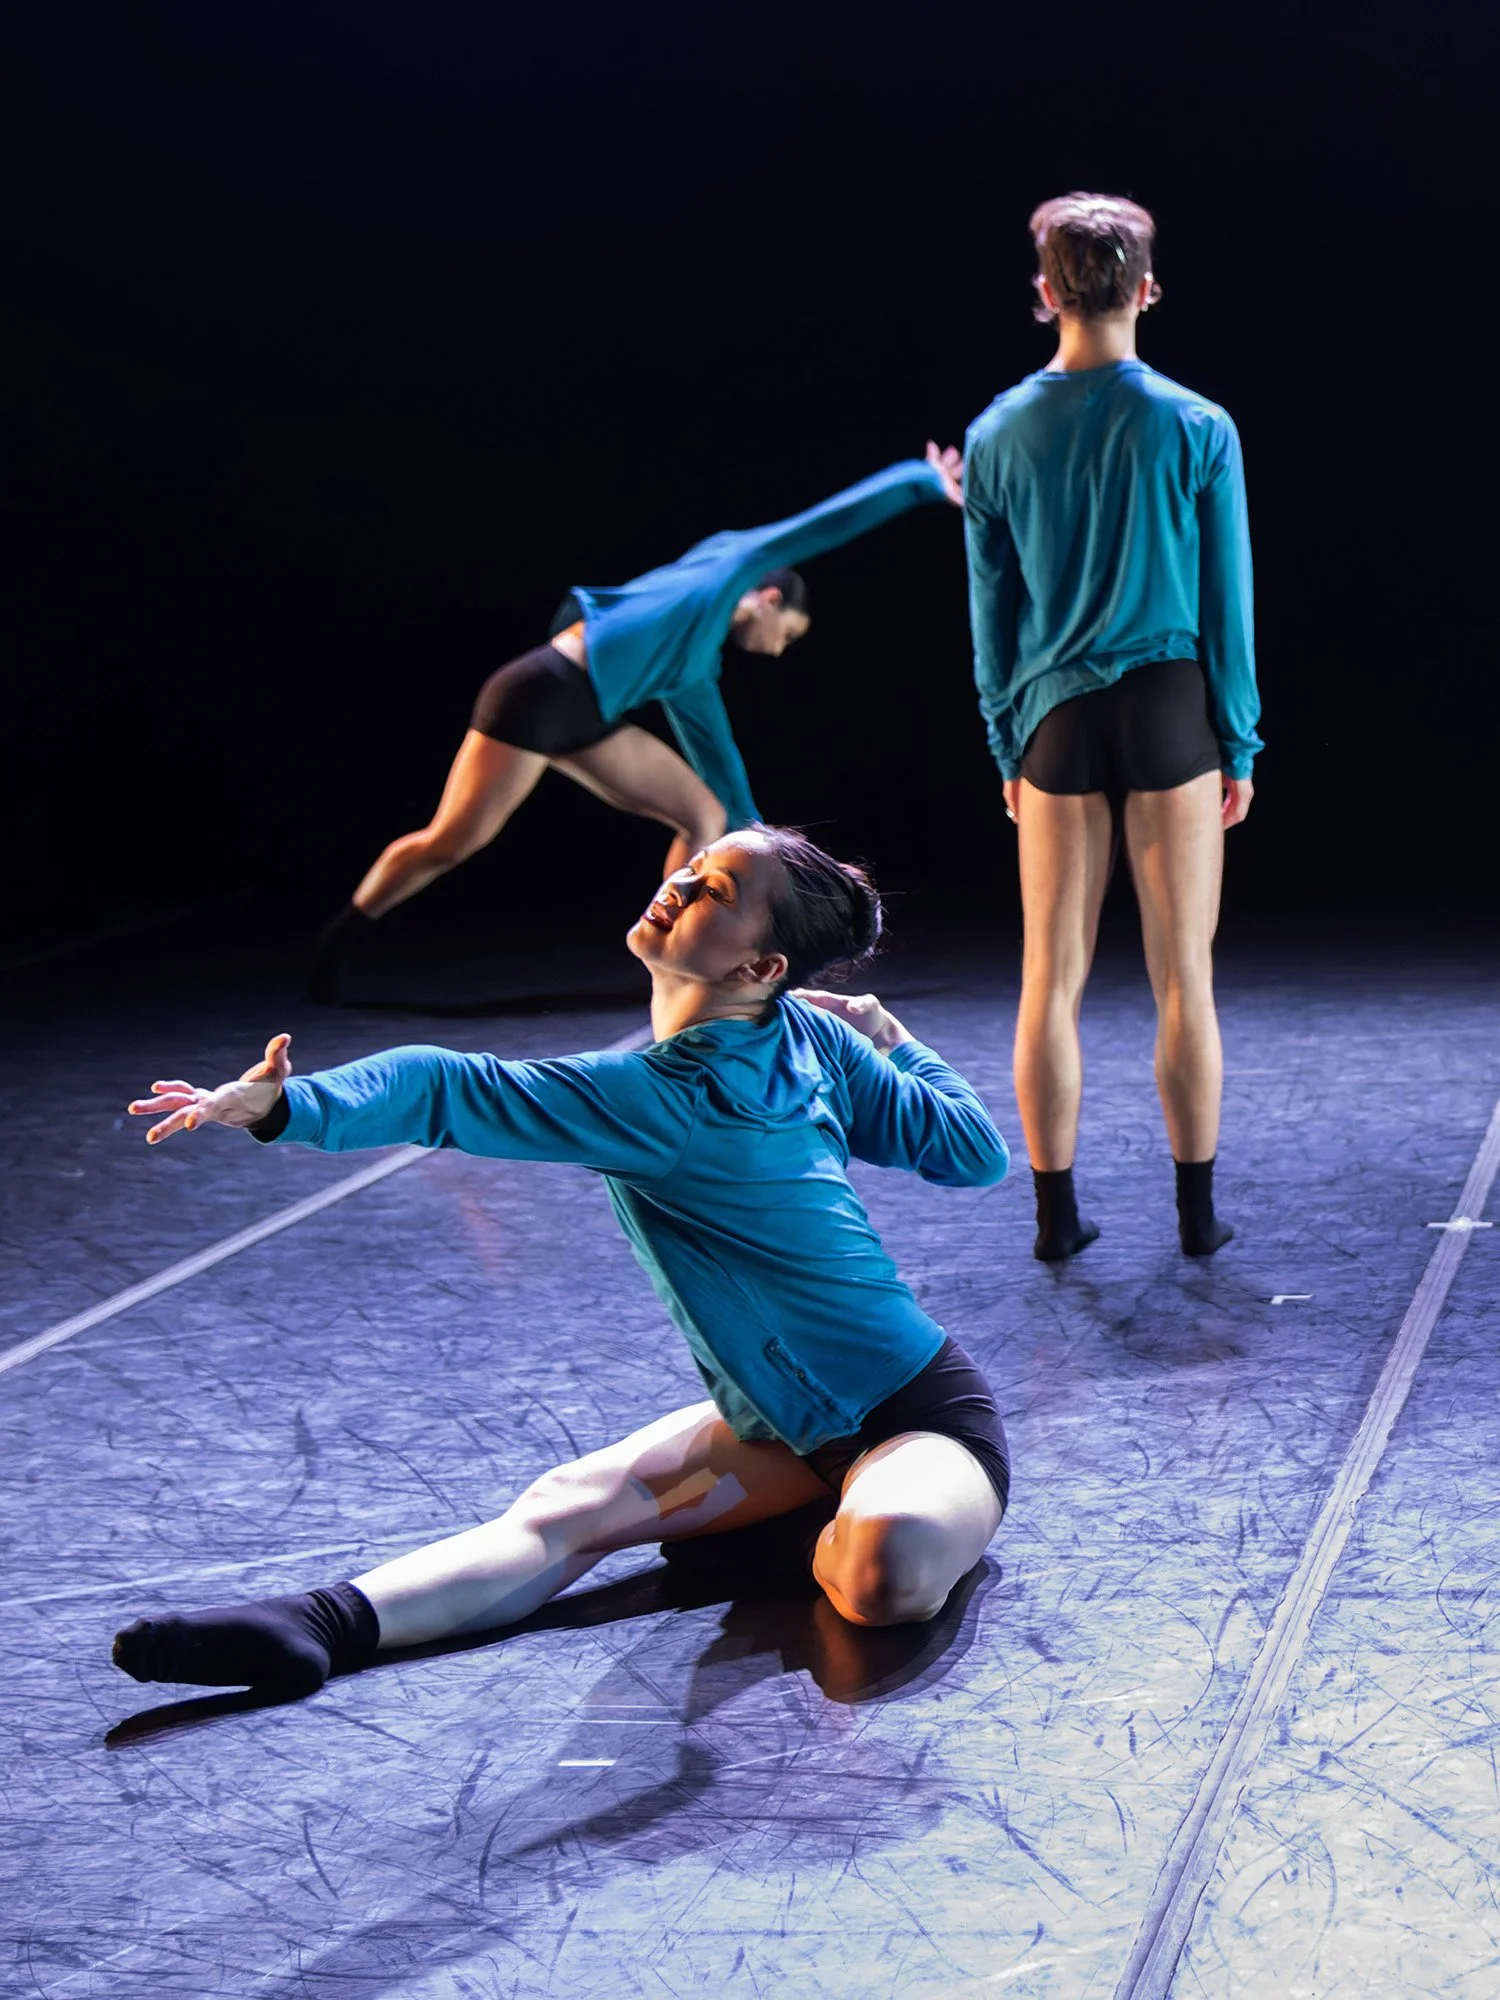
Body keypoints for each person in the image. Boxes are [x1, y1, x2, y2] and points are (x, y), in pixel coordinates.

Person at [113, 826, 1012, 1701]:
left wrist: (890, 1038)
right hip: (784, 1432)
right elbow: (445, 1085)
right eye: (694, 867)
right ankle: (318, 1622)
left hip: (917, 1419)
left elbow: (972, 1151)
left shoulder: (792, 1051)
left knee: (886, 1570)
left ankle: (802, 1534)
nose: (680, 884)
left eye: (715, 891)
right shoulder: (734, 1055)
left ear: (760, 968)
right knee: (566, 1510)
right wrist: (288, 1104)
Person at [308, 448, 964, 1001]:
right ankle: (341, 937)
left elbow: (722, 764)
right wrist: (920, 483)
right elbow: (824, 525)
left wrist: (765, 842)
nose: (779, 649)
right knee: (450, 841)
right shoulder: (727, 569)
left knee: (702, 813)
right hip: (539, 693)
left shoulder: (692, 667)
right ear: (768, 599)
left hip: (588, 714)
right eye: (786, 634)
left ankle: (668, 947)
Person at [963, 192, 1263, 1262]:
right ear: (1148, 287)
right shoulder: (1198, 424)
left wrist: (1007, 744)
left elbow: (991, 616)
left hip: (1055, 717)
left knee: (1050, 978)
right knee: (1185, 975)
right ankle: (1197, 1218)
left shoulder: (995, 433)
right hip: (1171, 706)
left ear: (1046, 292)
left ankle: (1055, 1220)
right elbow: (1228, 605)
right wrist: (1239, 742)